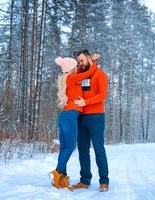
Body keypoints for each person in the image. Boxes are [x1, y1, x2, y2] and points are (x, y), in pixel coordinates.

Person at [49, 55, 99, 190]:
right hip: (70, 116)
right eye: (76, 66)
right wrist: (92, 62)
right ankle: (57, 172)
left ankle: (62, 178)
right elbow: (88, 73)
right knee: (70, 147)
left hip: (65, 115)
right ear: (71, 68)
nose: (78, 67)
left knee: (64, 147)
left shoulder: (68, 78)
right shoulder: (72, 77)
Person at [72, 50, 109, 192]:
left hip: (96, 117)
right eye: (78, 61)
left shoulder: (100, 74)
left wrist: (85, 102)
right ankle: (84, 180)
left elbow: (102, 95)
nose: (80, 63)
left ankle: (104, 181)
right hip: (81, 117)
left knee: (99, 149)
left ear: (88, 58)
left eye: (82, 60)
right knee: (82, 150)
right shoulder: (80, 75)